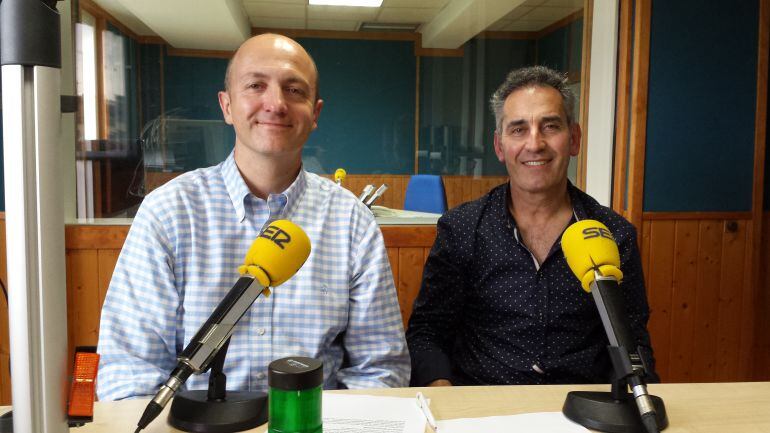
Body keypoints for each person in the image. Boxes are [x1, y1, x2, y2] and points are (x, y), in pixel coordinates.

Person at [97, 34, 410, 400]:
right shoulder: (168, 213)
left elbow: (380, 369)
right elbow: (128, 373)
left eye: (294, 90)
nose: (275, 104)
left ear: (316, 114)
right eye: (256, 85)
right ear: (227, 106)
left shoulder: (352, 222)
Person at [406, 65, 657, 387]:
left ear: (575, 139)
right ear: (499, 146)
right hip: (482, 409)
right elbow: (427, 334)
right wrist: (444, 396)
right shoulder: (462, 229)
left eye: (550, 126)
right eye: (518, 129)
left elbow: (633, 344)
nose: (535, 143)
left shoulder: (614, 234)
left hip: (582, 410)